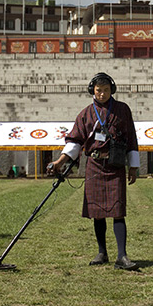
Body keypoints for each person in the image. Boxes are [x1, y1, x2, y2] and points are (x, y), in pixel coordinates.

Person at [49, 72, 140, 271]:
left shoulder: (123, 110)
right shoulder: (85, 114)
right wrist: (61, 161)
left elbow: (132, 137)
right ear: (93, 91)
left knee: (117, 210)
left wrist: (133, 166)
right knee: (97, 212)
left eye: (106, 90)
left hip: (115, 165)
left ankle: (122, 256)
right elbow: (75, 141)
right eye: (99, 90)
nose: (102, 94)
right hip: (95, 165)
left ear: (112, 90)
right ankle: (102, 252)